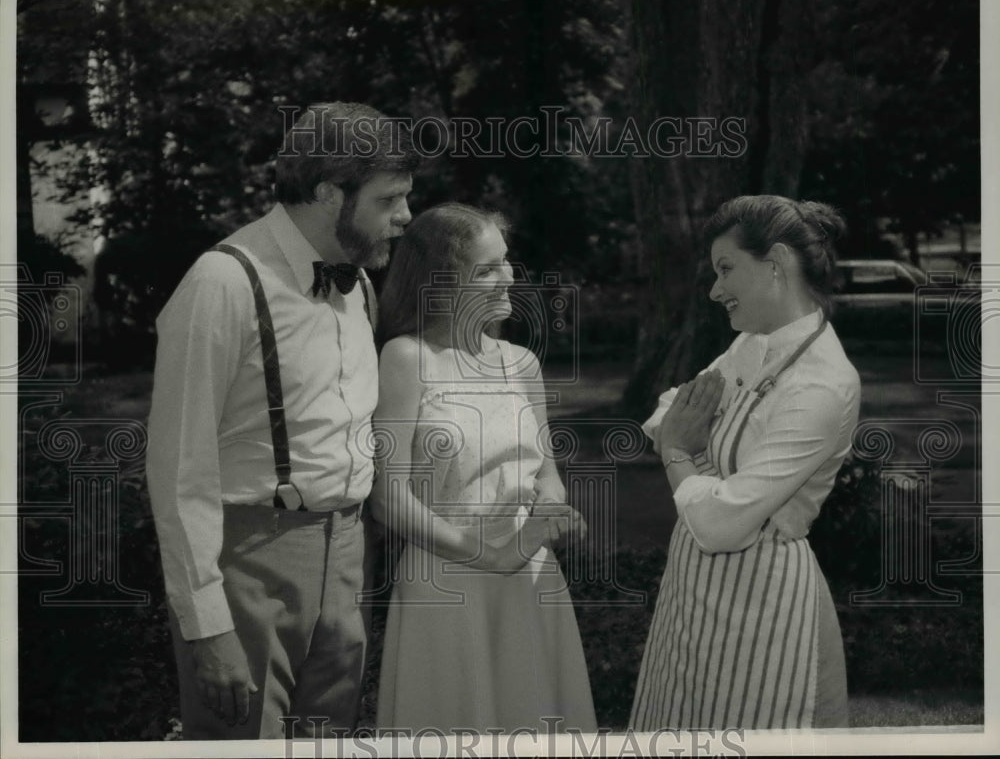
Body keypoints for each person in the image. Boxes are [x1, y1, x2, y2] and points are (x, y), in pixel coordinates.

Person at [146, 102, 419, 739]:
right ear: (329, 193)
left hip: (348, 557)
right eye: (391, 200)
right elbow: (176, 470)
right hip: (249, 562)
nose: (405, 218)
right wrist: (206, 621)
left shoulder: (361, 288)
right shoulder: (223, 281)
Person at [629, 195, 860, 731]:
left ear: (775, 262)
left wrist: (682, 456)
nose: (714, 290)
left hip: (766, 600)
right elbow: (666, 414)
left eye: (725, 269)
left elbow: (722, 523)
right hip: (693, 587)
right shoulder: (750, 347)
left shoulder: (824, 382)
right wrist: (690, 455)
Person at [370, 203, 597, 733]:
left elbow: (546, 470)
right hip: (448, 580)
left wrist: (553, 510)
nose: (508, 278)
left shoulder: (521, 362)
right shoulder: (406, 358)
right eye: (488, 268)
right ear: (442, 281)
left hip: (532, 576)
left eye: (507, 261)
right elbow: (389, 496)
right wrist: (490, 555)